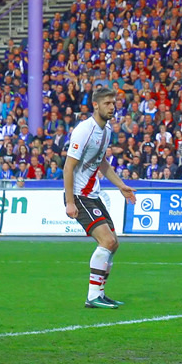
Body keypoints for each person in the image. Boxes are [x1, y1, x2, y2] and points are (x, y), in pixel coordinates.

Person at [63, 88, 137, 309]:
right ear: (95, 105)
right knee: (108, 241)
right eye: (107, 103)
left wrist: (121, 185)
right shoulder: (84, 130)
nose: (112, 107)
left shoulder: (105, 131)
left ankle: (100, 294)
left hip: (92, 194)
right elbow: (68, 167)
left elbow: (102, 163)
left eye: (113, 103)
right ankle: (92, 296)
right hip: (79, 195)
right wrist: (69, 202)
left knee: (113, 244)